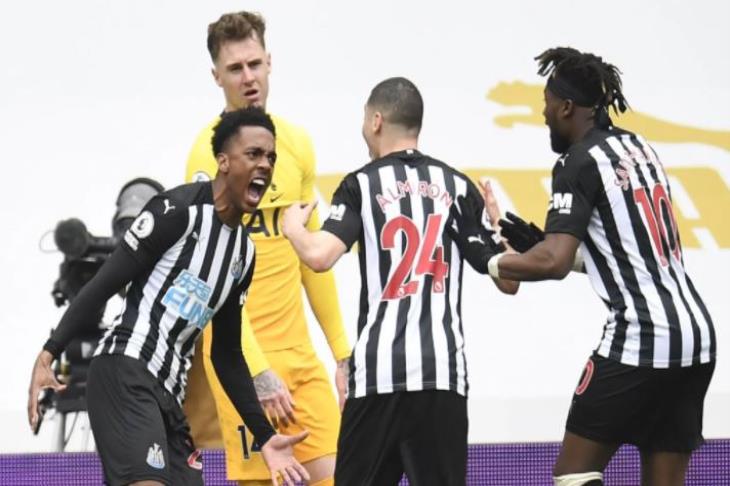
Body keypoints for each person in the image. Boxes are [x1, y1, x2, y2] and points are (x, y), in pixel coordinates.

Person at [27, 107, 310, 486]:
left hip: (170, 400)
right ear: (223, 161)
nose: (265, 165)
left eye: (271, 157)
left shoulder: (243, 254)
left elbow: (227, 355)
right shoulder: (178, 210)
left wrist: (265, 436)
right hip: (124, 372)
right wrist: (49, 352)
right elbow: (103, 283)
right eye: (254, 154)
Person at [472, 48, 716, 486]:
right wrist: (543, 245)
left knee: (574, 474)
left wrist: (489, 260)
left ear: (567, 107)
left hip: (642, 335)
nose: (543, 113)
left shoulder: (576, 162)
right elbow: (633, 254)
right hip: (696, 339)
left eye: (547, 102)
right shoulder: (640, 147)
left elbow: (553, 262)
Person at [281, 77, 519, 486]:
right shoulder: (458, 186)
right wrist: (499, 226)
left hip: (378, 378)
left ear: (376, 120)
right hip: (442, 376)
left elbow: (319, 256)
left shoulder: (361, 184)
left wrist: (292, 229)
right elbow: (509, 281)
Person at [183, 11, 349, 486]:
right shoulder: (205, 156)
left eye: (254, 64)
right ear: (216, 76)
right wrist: (255, 370)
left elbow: (312, 258)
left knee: (339, 475)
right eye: (235, 69)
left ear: (270, 62)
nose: (248, 77)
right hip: (240, 357)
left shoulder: (296, 144)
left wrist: (341, 354)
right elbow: (209, 278)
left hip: (299, 355)